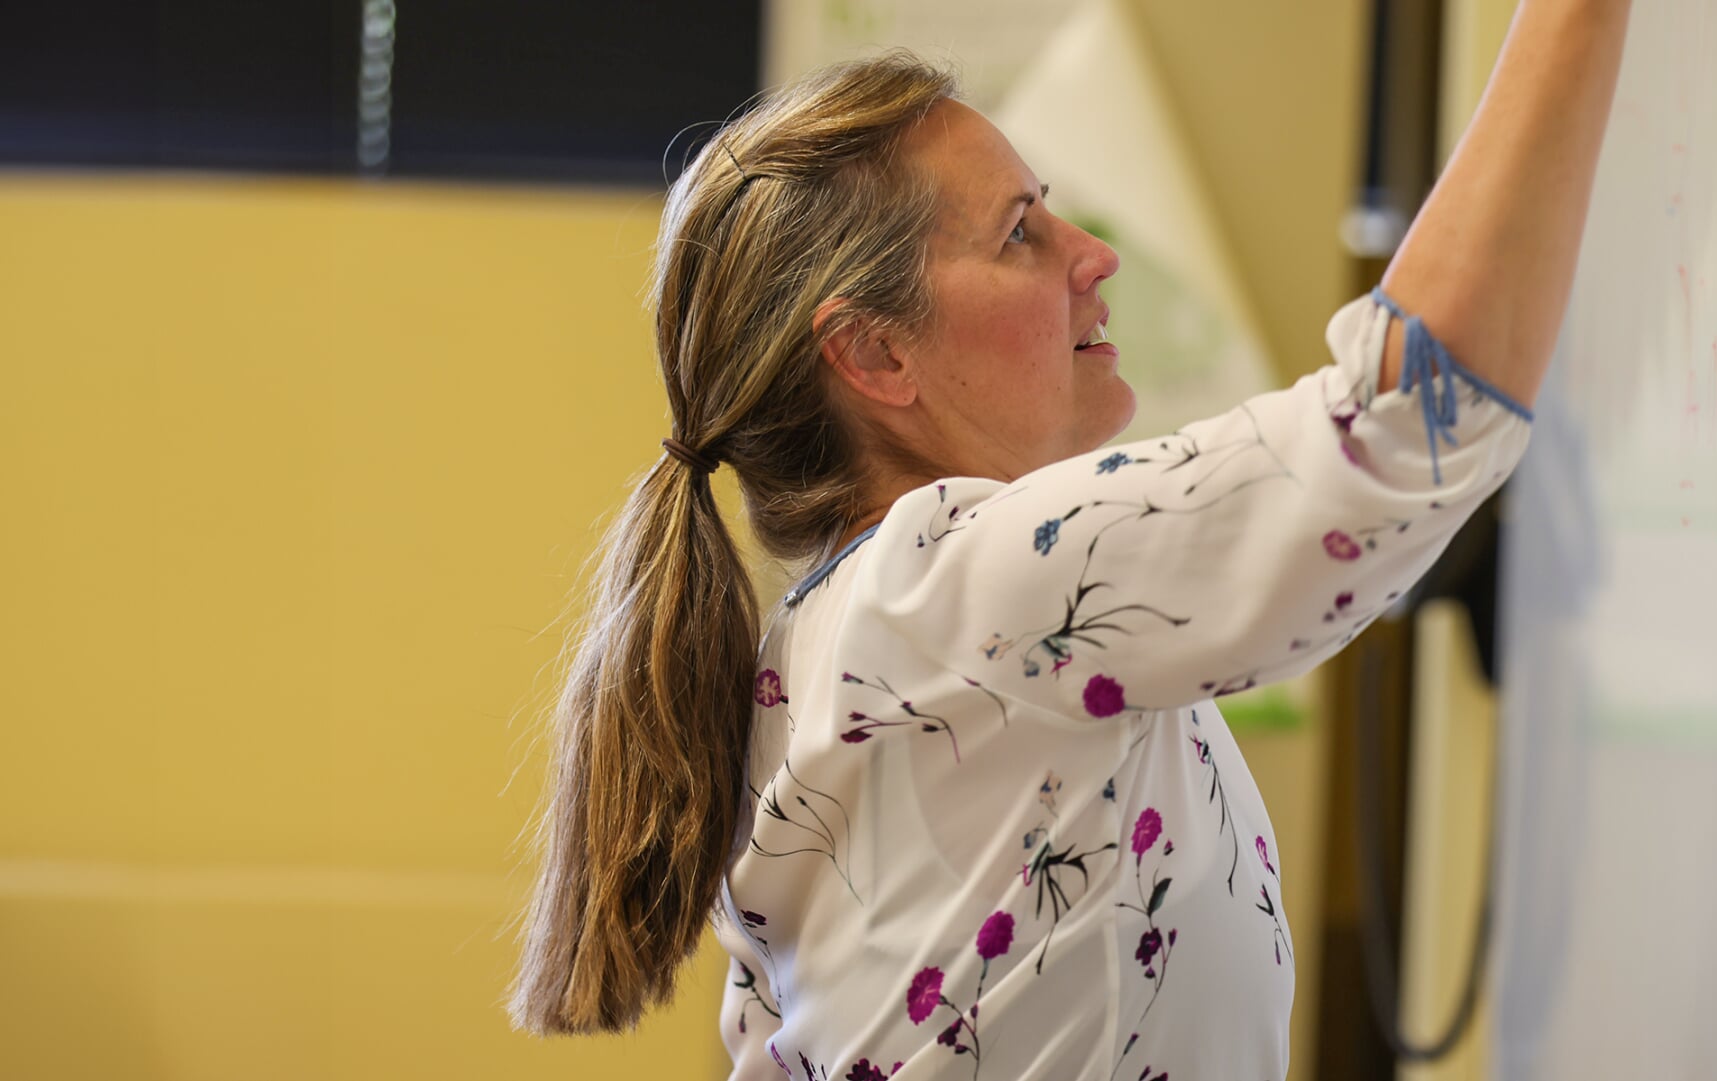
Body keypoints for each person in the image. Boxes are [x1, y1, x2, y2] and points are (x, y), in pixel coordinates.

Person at [511, 2, 1631, 1077]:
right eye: (1019, 234)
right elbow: (1404, 422)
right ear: (875, 356)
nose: (1093, 253)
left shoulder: (851, 633)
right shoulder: (951, 587)